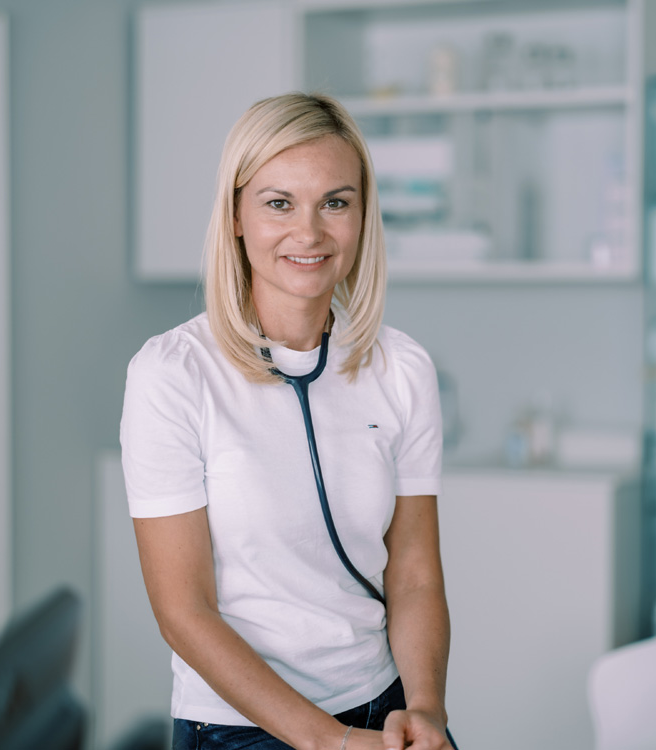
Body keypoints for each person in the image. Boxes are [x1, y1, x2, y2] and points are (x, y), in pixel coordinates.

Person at [120, 92, 453, 750]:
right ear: (237, 215)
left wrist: (427, 709)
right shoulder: (171, 374)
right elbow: (184, 612)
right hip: (239, 727)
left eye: (336, 201)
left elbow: (413, 573)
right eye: (279, 204)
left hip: (383, 710)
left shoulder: (402, 368)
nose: (310, 233)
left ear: (362, 216)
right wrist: (323, 741)